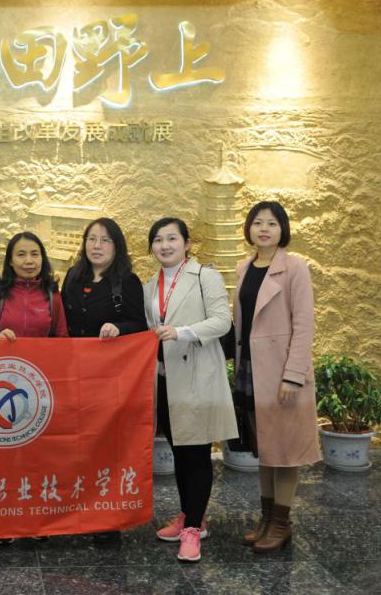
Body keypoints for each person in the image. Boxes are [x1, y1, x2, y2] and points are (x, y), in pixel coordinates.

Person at [144, 217, 237, 563]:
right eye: (158, 240)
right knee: (179, 450)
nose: (165, 245)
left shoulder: (205, 277)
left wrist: (181, 332)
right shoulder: (149, 285)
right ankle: (189, 514)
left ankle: (194, 529)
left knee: (196, 453)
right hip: (166, 380)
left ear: (186, 243)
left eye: (172, 238)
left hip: (197, 375)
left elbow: (222, 321)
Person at [232, 201, 319, 553]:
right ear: (249, 229)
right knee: (266, 449)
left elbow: (304, 326)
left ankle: (281, 523)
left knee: (285, 451)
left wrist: (293, 376)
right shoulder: (244, 267)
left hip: (282, 373)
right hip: (251, 369)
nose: (264, 228)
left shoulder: (295, 268)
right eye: (257, 222)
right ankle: (267, 519)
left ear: (282, 229)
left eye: (271, 223)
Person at [0, 231, 68, 545]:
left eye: (34, 254)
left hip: (41, 389)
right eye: (21, 254)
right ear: (10, 261)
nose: (29, 261)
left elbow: (63, 340)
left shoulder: (53, 296)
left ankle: (38, 519)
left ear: (43, 259)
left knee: (39, 456)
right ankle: (5, 519)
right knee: (5, 456)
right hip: (2, 390)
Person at [60, 217, 147, 540]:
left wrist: (118, 328)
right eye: (92, 239)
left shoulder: (127, 282)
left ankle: (108, 518)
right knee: (78, 445)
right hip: (74, 376)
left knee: (106, 446)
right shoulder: (73, 277)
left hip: (110, 380)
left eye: (105, 240)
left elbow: (139, 325)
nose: (97, 246)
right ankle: (77, 510)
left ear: (117, 246)